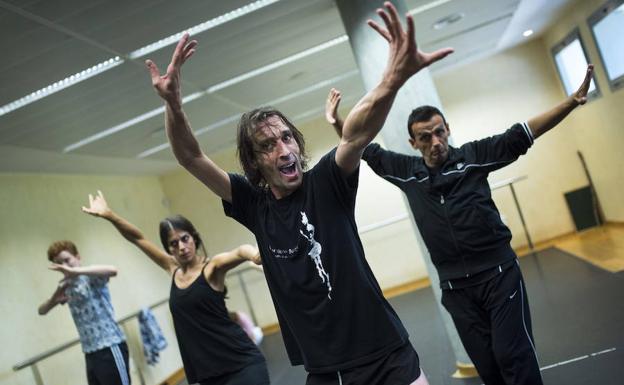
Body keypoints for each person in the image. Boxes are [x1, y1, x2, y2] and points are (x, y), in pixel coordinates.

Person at [144, 2, 453, 384]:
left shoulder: (326, 181)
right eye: (269, 145)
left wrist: (392, 80)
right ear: (255, 162)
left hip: (385, 353)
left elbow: (356, 132)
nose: (285, 150)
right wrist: (173, 104)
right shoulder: (253, 205)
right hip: (326, 370)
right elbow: (190, 156)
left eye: (287, 137)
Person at [324, 64, 595, 385]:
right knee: (489, 367)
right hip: (455, 289)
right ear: (413, 143)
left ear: (447, 129)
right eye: (425, 137)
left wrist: (571, 100)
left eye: (439, 132)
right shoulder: (406, 171)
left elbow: (522, 133)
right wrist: (337, 122)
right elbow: (361, 146)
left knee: (513, 355)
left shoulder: (474, 157)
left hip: (499, 277)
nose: (435, 141)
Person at [82, 191, 269, 385]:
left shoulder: (212, 267)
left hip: (241, 364)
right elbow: (137, 238)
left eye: (184, 238)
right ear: (169, 249)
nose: (181, 246)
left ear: (194, 238)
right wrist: (110, 216)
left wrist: (254, 255)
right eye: (174, 243)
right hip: (209, 373)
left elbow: (240, 251)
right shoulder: (172, 269)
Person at [38, 240, 130, 385]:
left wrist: (76, 271)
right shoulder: (65, 286)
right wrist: (55, 298)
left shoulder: (90, 276)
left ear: (78, 257)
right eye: (60, 263)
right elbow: (41, 311)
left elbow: (113, 270)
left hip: (110, 346)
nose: (65, 266)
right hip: (90, 352)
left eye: (67, 260)